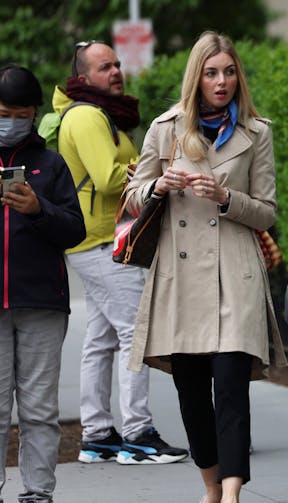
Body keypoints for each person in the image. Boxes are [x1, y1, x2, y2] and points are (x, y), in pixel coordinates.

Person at [124, 31, 286, 503]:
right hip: (181, 280)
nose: (222, 81)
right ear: (196, 77)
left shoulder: (258, 132)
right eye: (212, 73)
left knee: (232, 390)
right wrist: (158, 187)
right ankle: (212, 487)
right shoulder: (166, 128)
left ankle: (232, 494)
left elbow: (268, 211)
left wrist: (226, 197)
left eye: (229, 71)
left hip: (236, 274)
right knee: (193, 397)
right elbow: (131, 200)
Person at [52, 41, 188, 464]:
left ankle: (97, 436)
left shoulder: (100, 114)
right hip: (103, 240)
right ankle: (137, 434)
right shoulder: (88, 116)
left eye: (116, 64)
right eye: (104, 67)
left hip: (96, 237)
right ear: (83, 77)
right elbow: (111, 180)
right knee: (134, 332)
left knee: (101, 338)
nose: (116, 72)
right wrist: (153, 172)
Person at [0, 64, 86, 503]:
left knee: (38, 410)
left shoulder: (50, 164)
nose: (11, 121)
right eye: (2, 112)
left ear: (33, 113)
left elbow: (75, 229)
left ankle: (38, 493)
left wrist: (38, 209)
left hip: (42, 303)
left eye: (19, 113)